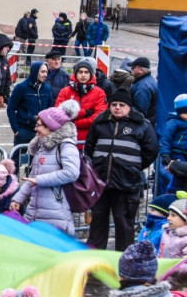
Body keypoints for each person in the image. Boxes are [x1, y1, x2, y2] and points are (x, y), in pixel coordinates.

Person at [85, 89, 159, 250]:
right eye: (114, 105)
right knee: (97, 223)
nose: (117, 107)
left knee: (124, 224)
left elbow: (151, 151)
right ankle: (94, 262)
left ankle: (124, 262)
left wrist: (133, 167)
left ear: (129, 107)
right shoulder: (100, 122)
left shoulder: (141, 125)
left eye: (121, 105)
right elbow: (89, 147)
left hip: (127, 183)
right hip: (101, 183)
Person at [9, 101, 82, 235]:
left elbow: (72, 173)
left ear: (51, 127)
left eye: (39, 126)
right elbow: (32, 178)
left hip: (56, 213)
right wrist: (18, 199)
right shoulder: (43, 145)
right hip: (35, 211)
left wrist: (40, 180)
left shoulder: (66, 145)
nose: (35, 129)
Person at [54, 59, 107, 144]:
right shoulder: (65, 91)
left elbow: (98, 116)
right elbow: (58, 113)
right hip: (67, 136)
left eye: (86, 72)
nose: (83, 75)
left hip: (90, 137)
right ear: (75, 74)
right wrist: (85, 112)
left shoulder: (99, 93)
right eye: (80, 72)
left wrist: (74, 122)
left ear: (91, 74)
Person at [7, 62, 53, 146]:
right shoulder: (21, 87)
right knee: (20, 157)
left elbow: (50, 108)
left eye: (46, 72)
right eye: (42, 72)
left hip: (41, 130)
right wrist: (16, 130)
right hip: (24, 130)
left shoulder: (47, 88)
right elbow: (11, 108)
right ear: (35, 72)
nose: (45, 74)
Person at [129, 57, 158, 126]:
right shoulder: (149, 80)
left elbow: (140, 110)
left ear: (141, 70)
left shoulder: (142, 86)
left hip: (143, 124)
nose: (131, 70)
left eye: (133, 68)